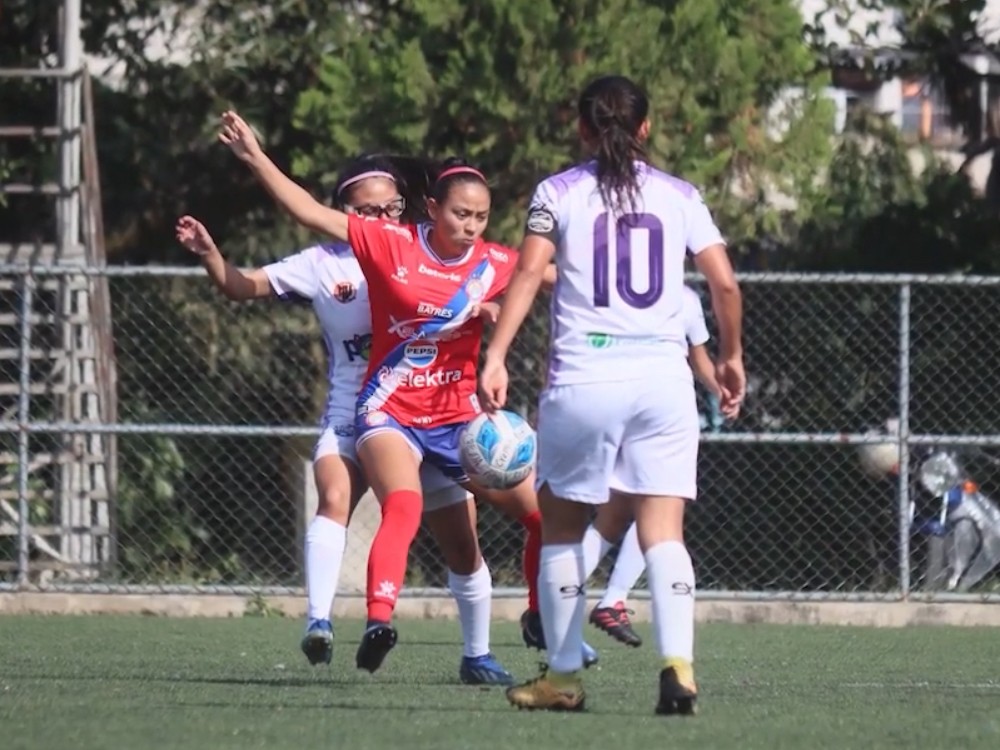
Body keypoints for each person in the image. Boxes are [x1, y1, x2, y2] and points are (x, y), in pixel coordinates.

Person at [216, 112, 597, 674]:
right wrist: (254, 155)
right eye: (461, 214)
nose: (470, 225)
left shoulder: (493, 262)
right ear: (436, 210)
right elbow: (307, 210)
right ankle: (378, 620)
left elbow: (560, 278)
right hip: (389, 410)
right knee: (404, 504)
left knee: (541, 517)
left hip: (456, 421)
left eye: (481, 217)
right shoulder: (390, 242)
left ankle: (535, 620)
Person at [174, 153, 514, 686]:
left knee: (462, 542)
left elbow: (507, 275)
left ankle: (478, 654)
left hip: (432, 414)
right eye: (368, 209)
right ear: (346, 213)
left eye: (391, 207)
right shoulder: (324, 263)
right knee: (335, 498)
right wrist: (213, 253)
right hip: (358, 415)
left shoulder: (422, 251)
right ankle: (320, 622)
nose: (381, 217)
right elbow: (240, 286)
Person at [479, 75, 745, 714]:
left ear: (582, 129)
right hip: (664, 382)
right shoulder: (681, 195)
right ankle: (678, 666)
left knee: (565, 532)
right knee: (664, 532)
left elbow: (523, 275)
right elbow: (725, 285)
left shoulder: (557, 191)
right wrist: (731, 356)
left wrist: (495, 354)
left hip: (585, 379)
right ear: (646, 128)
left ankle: (564, 679)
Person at [582, 284, 741, 648]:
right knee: (658, 513)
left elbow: (696, 355)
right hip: (651, 411)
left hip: (626, 409)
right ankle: (603, 600)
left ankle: (575, 603)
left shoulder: (683, 298)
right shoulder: (619, 291)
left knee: (620, 515)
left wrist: (721, 391)